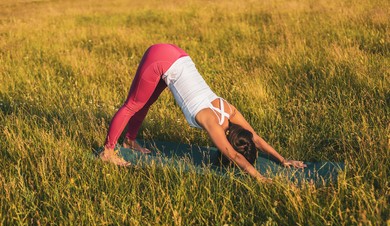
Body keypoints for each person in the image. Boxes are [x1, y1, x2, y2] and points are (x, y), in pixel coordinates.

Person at [100, 44, 306, 182]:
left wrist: (282, 159)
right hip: (162, 59)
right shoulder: (211, 120)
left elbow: (256, 138)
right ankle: (107, 152)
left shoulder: (229, 111)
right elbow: (234, 155)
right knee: (132, 105)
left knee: (145, 104)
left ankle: (129, 140)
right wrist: (260, 178)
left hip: (178, 57)